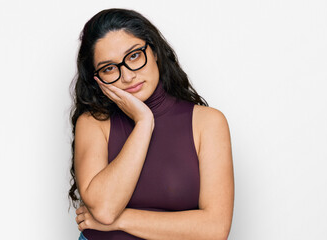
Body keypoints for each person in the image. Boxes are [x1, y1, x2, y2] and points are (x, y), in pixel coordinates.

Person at [68, 8, 234, 240]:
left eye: (134, 55)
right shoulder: (94, 123)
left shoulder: (207, 123)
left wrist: (122, 220)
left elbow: (215, 229)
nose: (127, 76)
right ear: (97, 80)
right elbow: (105, 211)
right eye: (109, 68)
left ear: (154, 50)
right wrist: (144, 122)